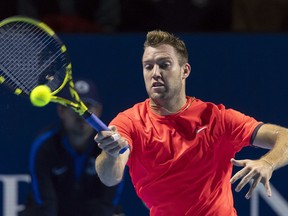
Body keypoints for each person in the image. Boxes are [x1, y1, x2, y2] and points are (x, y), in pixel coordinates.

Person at [94, 30, 288, 215]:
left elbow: (285, 137)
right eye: (148, 66)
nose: (155, 73)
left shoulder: (216, 118)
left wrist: (267, 163)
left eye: (164, 64)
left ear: (184, 70)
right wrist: (110, 154)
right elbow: (110, 177)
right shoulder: (129, 122)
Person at [20, 79, 125, 216]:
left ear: (98, 111)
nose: (80, 113)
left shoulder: (109, 146)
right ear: (61, 110)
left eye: (87, 106)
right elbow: (45, 203)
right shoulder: (44, 146)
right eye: (73, 106)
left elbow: (108, 202)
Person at [17, 0, 121, 32]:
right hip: (43, 54)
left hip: (94, 50)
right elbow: (26, 30)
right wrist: (51, 22)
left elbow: (110, 29)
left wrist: (78, 25)